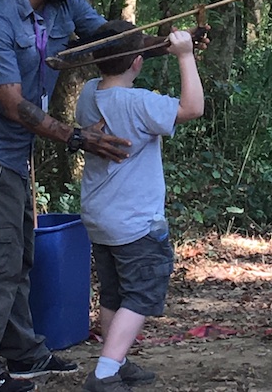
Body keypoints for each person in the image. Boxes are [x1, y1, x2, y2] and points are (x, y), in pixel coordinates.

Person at [0, 0, 133, 392]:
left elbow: (112, 44)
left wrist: (171, 45)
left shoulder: (66, 6)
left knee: (19, 256)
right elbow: (12, 105)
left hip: (17, 154)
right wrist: (78, 137)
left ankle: (23, 353)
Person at [75, 20, 205, 392]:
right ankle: (103, 373)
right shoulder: (139, 103)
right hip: (134, 223)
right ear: (137, 62)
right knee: (142, 293)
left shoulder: (88, 93)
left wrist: (166, 44)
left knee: (115, 292)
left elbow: (123, 58)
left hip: (101, 217)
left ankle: (117, 359)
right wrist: (185, 56)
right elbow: (193, 107)